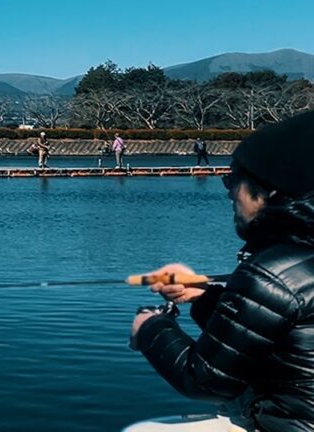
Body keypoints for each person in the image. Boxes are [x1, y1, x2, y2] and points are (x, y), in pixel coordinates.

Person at [130, 110, 314, 431]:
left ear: (268, 191)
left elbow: (207, 381)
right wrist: (202, 295)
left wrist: (150, 328)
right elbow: (277, 329)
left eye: (233, 180)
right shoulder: (297, 261)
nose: (229, 192)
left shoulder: (272, 271)